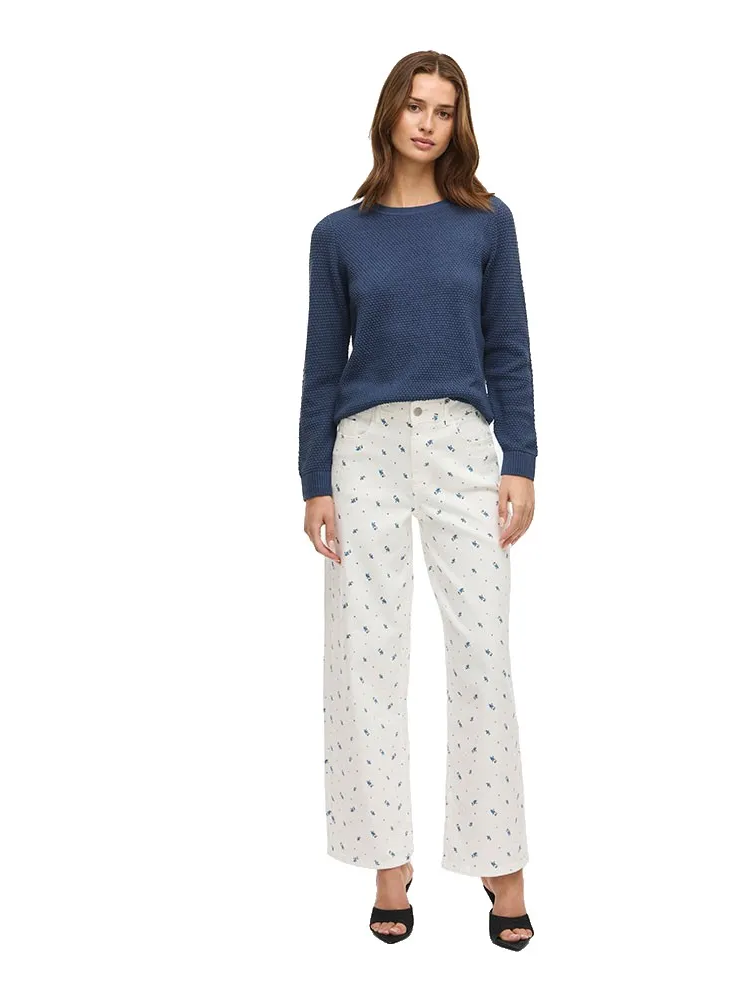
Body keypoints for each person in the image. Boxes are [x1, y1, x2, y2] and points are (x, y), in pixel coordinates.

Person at [297, 50, 538, 951]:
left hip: (461, 445)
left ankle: (499, 863)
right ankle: (386, 863)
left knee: (482, 653)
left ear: (457, 122)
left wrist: (521, 459)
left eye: (444, 109)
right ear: (389, 114)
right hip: (362, 451)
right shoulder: (339, 235)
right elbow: (322, 367)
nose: (428, 123)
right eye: (415, 105)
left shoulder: (487, 222)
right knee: (365, 658)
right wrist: (313, 480)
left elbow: (509, 346)